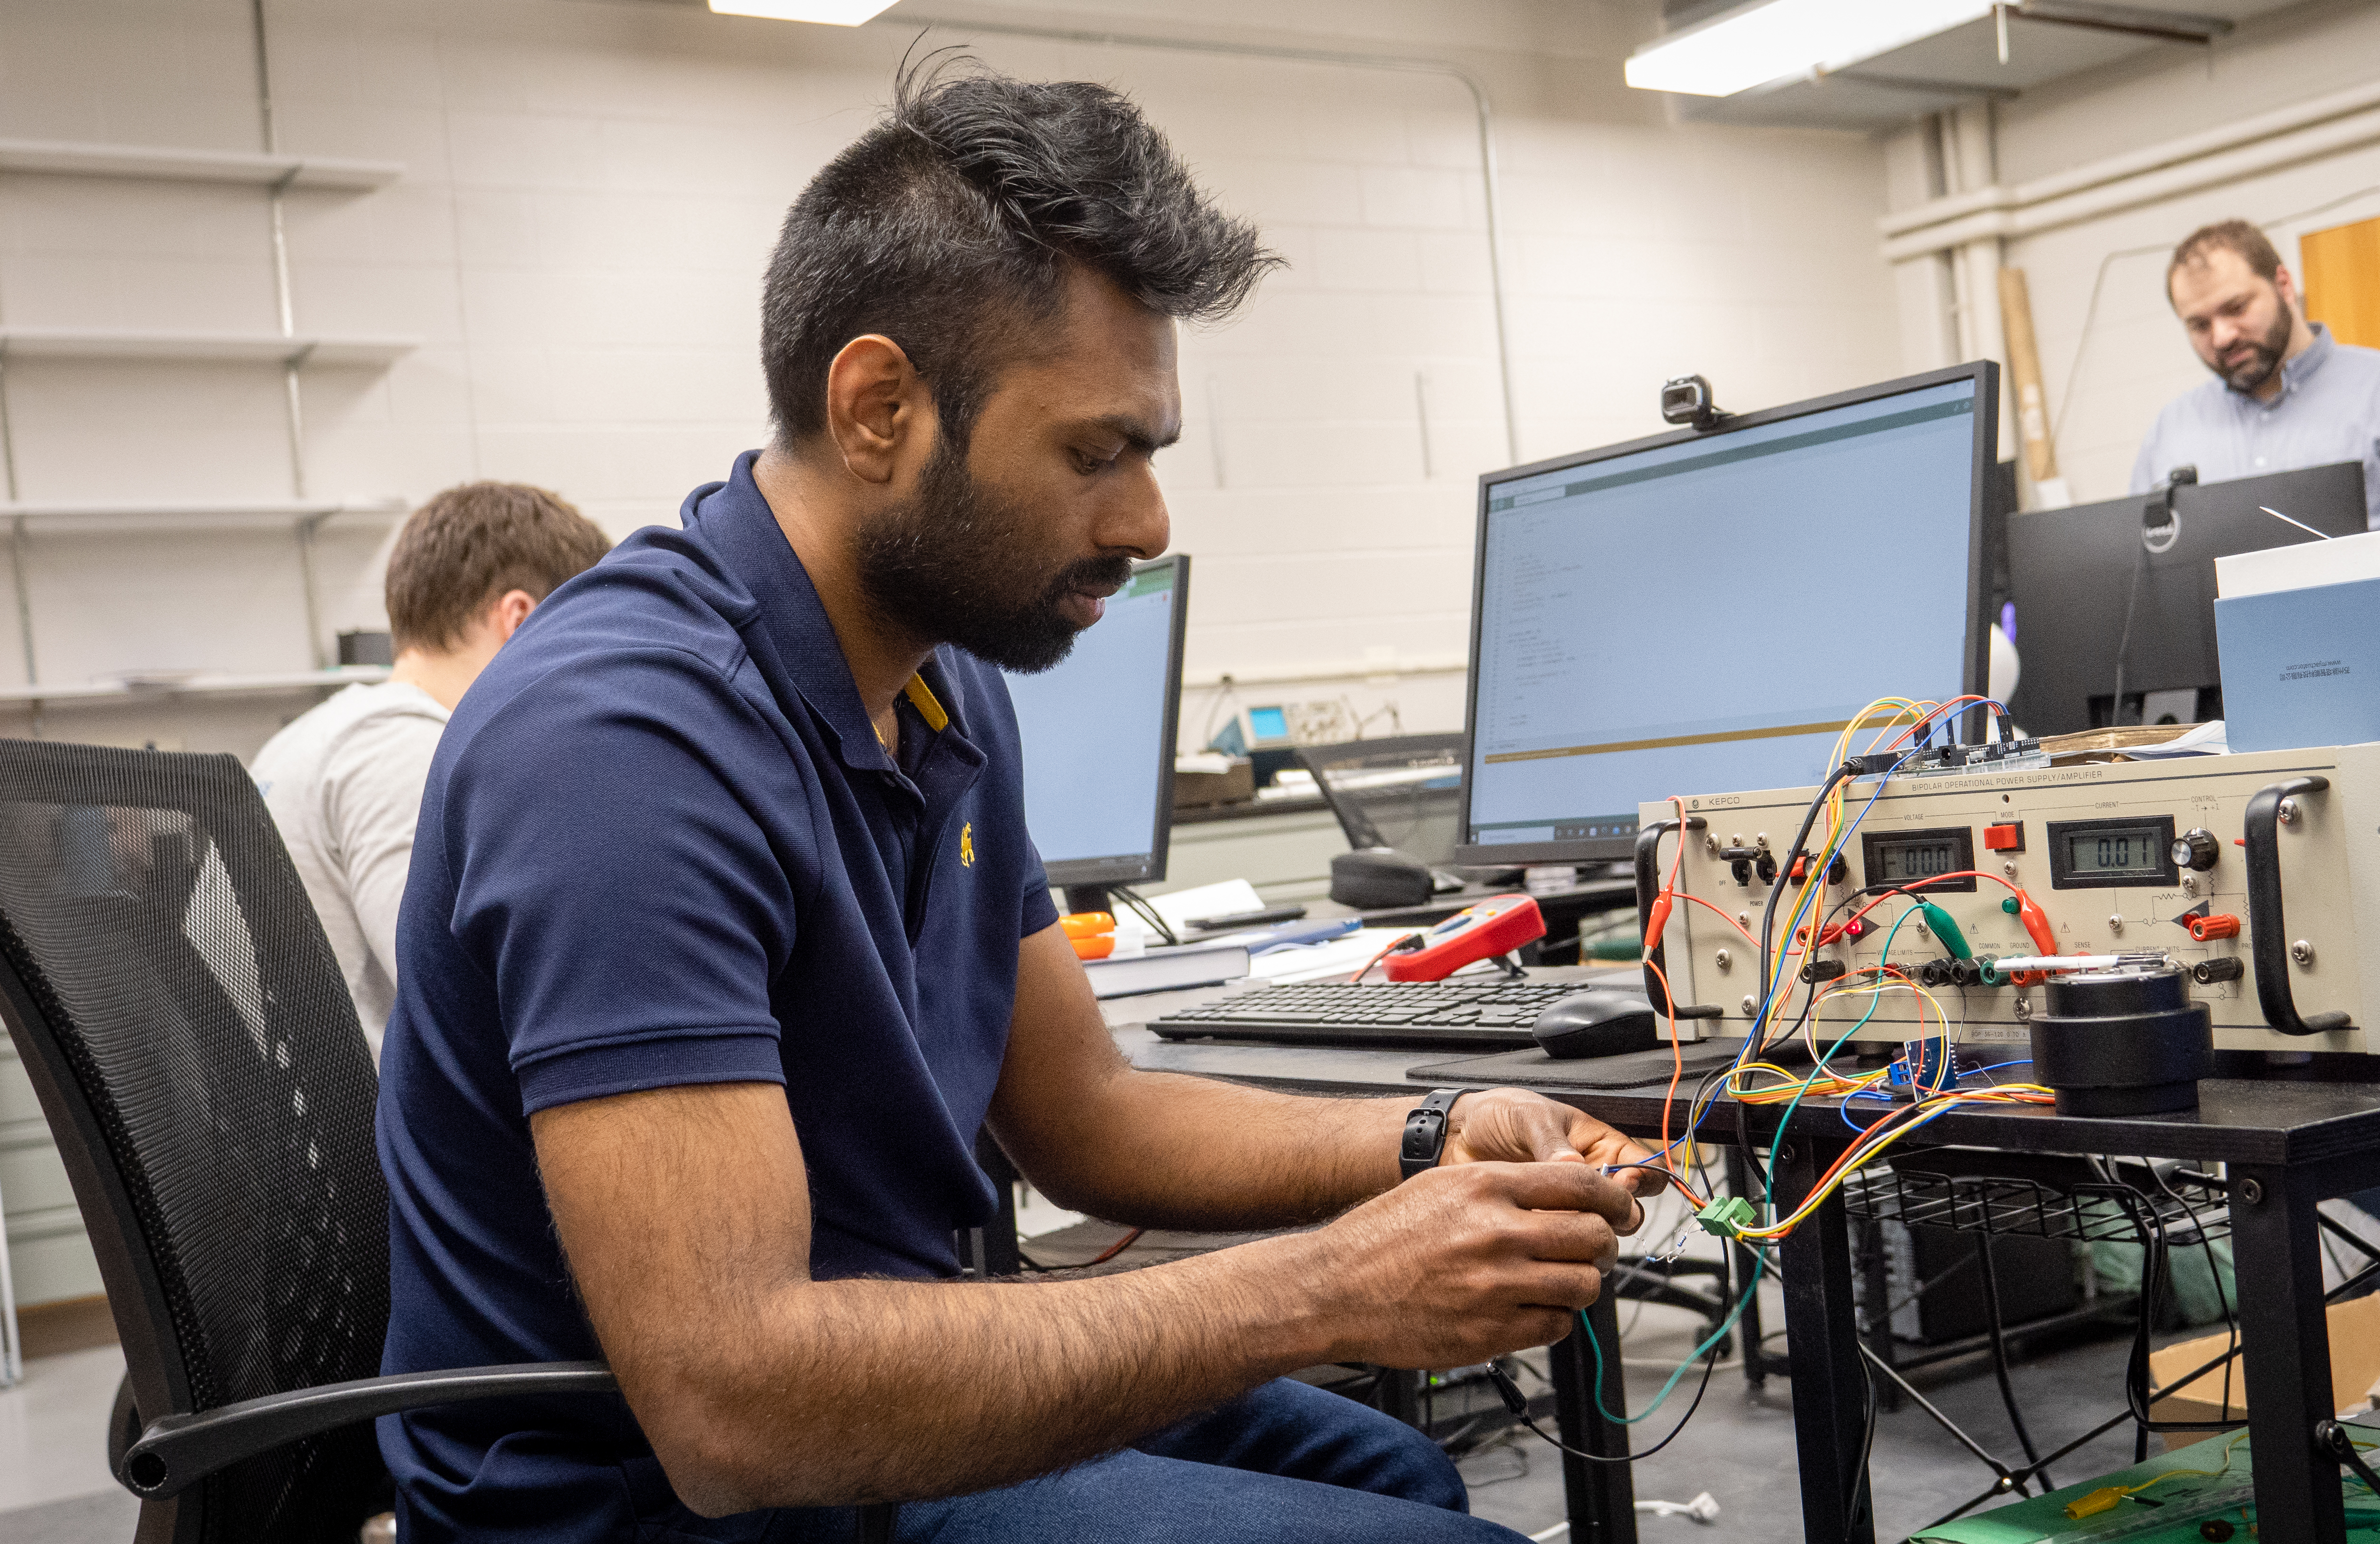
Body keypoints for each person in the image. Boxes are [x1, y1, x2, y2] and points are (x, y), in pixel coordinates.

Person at [377, 64, 1666, 1544]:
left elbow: (1085, 1113)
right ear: (878, 406)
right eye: (1092, 451)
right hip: (660, 1500)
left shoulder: (941, 680)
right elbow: (734, 1403)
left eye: (1149, 453)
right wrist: (1331, 1281)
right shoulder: (620, 739)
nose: (1145, 521)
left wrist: (1432, 1135)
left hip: (853, 1395)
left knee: (1393, 1471)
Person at [251, 481, 608, 1059]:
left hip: (286, 1126)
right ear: (520, 619)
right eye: (581, 640)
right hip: (369, 1141)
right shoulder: (406, 751)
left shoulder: (310, 736)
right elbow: (475, 1004)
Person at [2130, 220, 2380, 530]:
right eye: (2199, 325)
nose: (2223, 336)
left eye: (2237, 307)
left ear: (2284, 285)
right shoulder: (2170, 433)